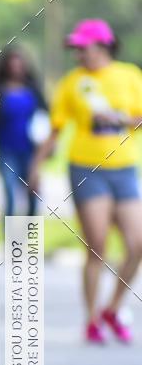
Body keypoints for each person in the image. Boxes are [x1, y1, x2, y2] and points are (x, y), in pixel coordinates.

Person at [31, 19, 142, 344]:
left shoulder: (129, 75)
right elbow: (56, 129)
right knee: (98, 246)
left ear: (104, 45)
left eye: (84, 47)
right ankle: (92, 318)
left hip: (124, 169)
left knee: (137, 244)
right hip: (86, 169)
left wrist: (122, 119)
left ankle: (113, 308)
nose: (78, 54)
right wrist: (36, 166)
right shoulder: (71, 83)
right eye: (76, 49)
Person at [0, 46, 47, 216]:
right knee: (11, 198)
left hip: (30, 152)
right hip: (6, 152)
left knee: (33, 194)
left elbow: (45, 117)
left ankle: (31, 241)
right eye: (12, 65)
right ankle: (13, 242)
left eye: (19, 64)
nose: (15, 68)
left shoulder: (33, 90)